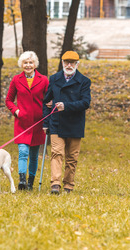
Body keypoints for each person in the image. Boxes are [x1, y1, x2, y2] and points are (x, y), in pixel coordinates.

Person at [43, 51, 92, 195]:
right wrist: (45, 123)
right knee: (56, 153)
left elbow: (85, 102)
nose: (69, 65)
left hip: (75, 124)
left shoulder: (84, 81)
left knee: (72, 158)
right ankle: (55, 184)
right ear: (62, 63)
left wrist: (66, 105)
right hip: (56, 123)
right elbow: (46, 102)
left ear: (77, 64)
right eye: (66, 62)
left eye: (72, 62)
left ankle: (69, 185)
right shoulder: (54, 79)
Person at [6, 51, 49, 191]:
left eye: (31, 62)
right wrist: (16, 111)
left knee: (34, 155)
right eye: (25, 63)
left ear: (35, 64)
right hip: (22, 123)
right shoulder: (16, 80)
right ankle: (22, 181)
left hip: (38, 123)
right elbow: (8, 100)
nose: (28, 65)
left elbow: (48, 99)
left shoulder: (43, 80)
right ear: (21, 65)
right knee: (23, 152)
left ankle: (31, 182)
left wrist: (49, 110)